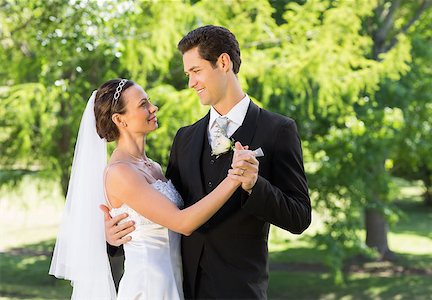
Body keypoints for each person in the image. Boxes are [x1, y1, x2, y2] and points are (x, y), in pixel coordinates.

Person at [104, 25, 311, 299]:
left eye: (196, 71)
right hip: (179, 288)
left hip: (239, 290)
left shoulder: (277, 130)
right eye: (188, 74)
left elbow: (299, 217)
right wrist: (113, 238)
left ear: (223, 63)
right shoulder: (185, 138)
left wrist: (254, 186)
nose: (191, 83)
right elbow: (164, 211)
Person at [49, 78, 256, 299]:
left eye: (149, 102)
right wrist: (233, 178)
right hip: (149, 286)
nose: (153, 108)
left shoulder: (154, 167)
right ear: (119, 119)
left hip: (175, 280)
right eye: (143, 104)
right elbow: (182, 223)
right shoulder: (120, 172)